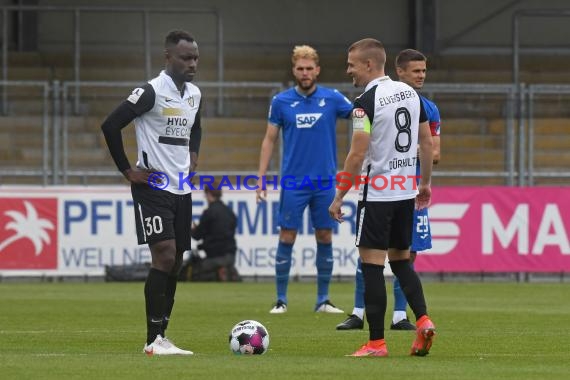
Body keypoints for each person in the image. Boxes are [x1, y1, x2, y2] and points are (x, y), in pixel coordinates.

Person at [329, 38, 436, 357]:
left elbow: (357, 152)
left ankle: (376, 342)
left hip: (377, 195)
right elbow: (426, 143)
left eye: (351, 64)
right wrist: (425, 183)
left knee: (372, 266)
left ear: (368, 65)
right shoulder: (412, 95)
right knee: (402, 262)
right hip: (406, 193)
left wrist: (339, 196)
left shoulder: (364, 102)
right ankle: (425, 321)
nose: (348, 71)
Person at [101, 30, 202, 356]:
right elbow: (110, 125)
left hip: (181, 187)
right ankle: (151, 340)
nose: (193, 64)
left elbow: (195, 126)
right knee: (165, 254)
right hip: (153, 186)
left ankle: (162, 337)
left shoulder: (194, 94)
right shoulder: (149, 92)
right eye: (186, 58)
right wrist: (128, 170)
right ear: (168, 58)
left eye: (196, 58)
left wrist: (195, 156)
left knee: (176, 262)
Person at [256, 45, 353, 314]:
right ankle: (280, 300)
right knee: (287, 236)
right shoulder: (281, 101)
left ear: (317, 70)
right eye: (300, 68)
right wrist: (261, 178)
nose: (305, 72)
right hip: (293, 182)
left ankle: (323, 300)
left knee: (324, 235)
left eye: (310, 68)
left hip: (324, 183)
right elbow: (269, 140)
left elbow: (360, 116)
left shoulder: (333, 98)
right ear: (294, 70)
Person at [190, 182, 239, 282]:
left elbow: (197, 236)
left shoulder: (209, 213)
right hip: (230, 257)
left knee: (195, 273)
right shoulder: (230, 212)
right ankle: (227, 271)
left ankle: (218, 273)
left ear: (208, 194)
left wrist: (193, 230)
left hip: (213, 258)